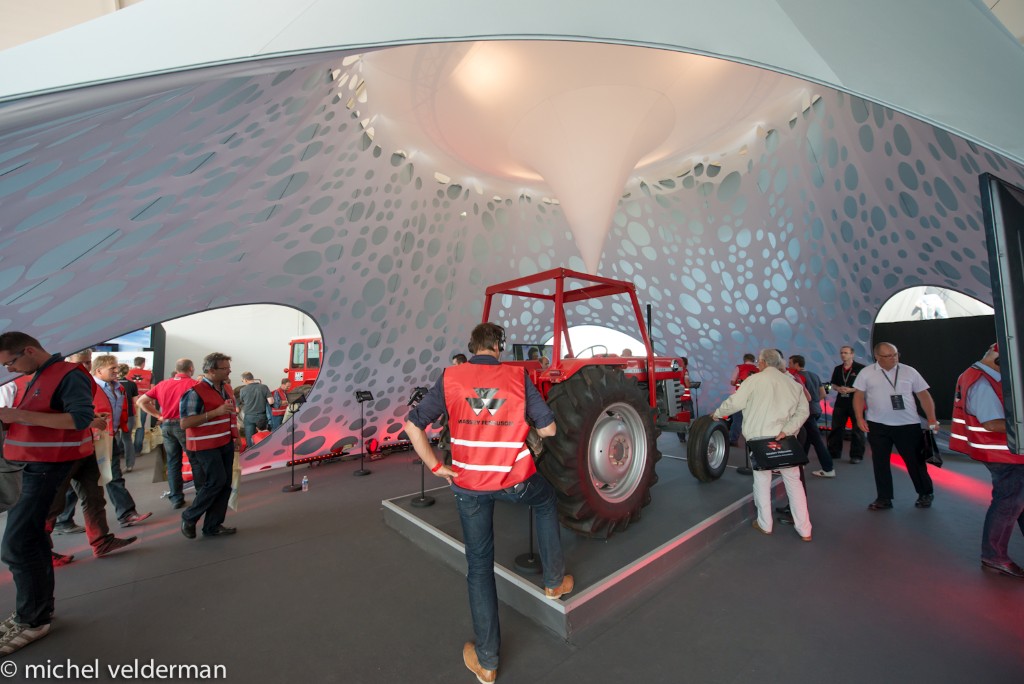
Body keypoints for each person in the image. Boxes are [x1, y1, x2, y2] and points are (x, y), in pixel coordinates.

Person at [405, 323, 572, 683]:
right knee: (546, 501)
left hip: (468, 486)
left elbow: (412, 426)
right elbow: (549, 430)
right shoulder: (517, 377)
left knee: (479, 568)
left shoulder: (450, 377)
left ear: (472, 346)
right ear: (499, 346)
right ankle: (554, 582)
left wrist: (436, 467)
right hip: (515, 481)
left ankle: (488, 663)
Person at [0, 332, 98, 654]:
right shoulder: (42, 375)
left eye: (10, 363)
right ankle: (37, 611)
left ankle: (33, 619)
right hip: (31, 466)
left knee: (17, 545)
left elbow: (81, 419)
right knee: (31, 540)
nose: (10, 370)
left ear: (28, 350)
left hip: (43, 468)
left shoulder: (67, 375)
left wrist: (17, 415)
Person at [712, 349, 811, 540]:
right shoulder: (792, 383)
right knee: (794, 482)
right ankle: (805, 529)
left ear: (763, 362)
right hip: (786, 439)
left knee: (762, 481)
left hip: (760, 439)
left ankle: (765, 524)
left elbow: (735, 402)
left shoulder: (753, 381)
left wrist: (717, 413)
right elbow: (803, 411)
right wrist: (787, 430)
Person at [949, 343, 1024, 578]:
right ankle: (994, 556)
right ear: (1001, 360)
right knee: (1008, 503)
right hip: (1003, 454)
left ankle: (994, 554)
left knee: (1017, 501)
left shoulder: (978, 375)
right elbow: (991, 423)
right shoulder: (982, 382)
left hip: (1004, 452)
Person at [853, 342, 939, 511]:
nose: (893, 358)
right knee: (880, 463)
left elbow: (924, 395)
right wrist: (859, 417)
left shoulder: (909, 371)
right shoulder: (867, 373)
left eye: (895, 354)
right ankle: (884, 498)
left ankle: (925, 493)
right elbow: (858, 396)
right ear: (877, 357)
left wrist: (931, 419)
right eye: (888, 356)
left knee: (915, 462)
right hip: (877, 425)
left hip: (908, 425)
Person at [179, 353, 242, 539]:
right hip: (204, 446)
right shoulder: (194, 392)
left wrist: (236, 436)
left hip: (224, 442)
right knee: (215, 482)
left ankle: (213, 525)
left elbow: (231, 415)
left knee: (225, 484)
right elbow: (185, 423)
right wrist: (215, 412)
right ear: (211, 370)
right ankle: (189, 517)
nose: (229, 371)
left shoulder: (226, 388)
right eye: (225, 368)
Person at [88, 355, 152, 527]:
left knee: (114, 476)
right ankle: (63, 520)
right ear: (98, 370)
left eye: (116, 367)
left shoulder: (118, 387)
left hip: (109, 438)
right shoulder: (89, 387)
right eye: (112, 368)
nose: (117, 371)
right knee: (79, 483)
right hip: (91, 440)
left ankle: (127, 513)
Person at [137, 358, 197, 509]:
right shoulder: (195, 384)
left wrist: (159, 415)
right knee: (196, 460)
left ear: (177, 369)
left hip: (167, 426)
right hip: (186, 426)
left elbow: (141, 402)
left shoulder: (162, 384)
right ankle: (202, 494)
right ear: (191, 369)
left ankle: (176, 498)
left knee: (173, 462)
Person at [788, 355, 834, 478]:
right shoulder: (814, 375)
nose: (789, 365)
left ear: (796, 364)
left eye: (790, 363)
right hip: (816, 410)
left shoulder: (796, 377)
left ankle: (828, 468)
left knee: (816, 441)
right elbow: (823, 394)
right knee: (807, 438)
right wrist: (814, 402)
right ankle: (802, 463)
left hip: (806, 412)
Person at [828, 346, 866, 464]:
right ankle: (834, 452)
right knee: (836, 428)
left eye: (846, 353)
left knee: (857, 430)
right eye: (841, 353)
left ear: (852, 354)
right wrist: (838, 388)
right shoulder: (837, 369)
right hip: (840, 402)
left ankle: (856, 455)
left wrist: (851, 390)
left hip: (856, 403)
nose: (843, 355)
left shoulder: (861, 368)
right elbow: (833, 384)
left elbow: (865, 386)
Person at [727, 353, 759, 445]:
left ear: (744, 360)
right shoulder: (758, 369)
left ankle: (733, 440)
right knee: (753, 420)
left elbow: (732, 382)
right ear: (753, 360)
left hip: (741, 397)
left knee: (737, 419)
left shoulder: (739, 367)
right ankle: (753, 441)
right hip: (754, 398)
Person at [126, 357, 152, 454]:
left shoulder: (128, 373)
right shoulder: (150, 374)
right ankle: (137, 450)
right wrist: (152, 403)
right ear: (143, 363)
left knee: (126, 426)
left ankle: (125, 449)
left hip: (130, 403)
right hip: (143, 402)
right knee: (140, 425)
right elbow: (152, 389)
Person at [116, 364, 139, 472]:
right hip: (129, 414)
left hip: (116, 415)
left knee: (115, 440)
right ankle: (129, 465)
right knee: (127, 439)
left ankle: (114, 466)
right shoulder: (132, 384)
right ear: (128, 372)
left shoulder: (113, 383)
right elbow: (135, 402)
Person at [238, 372, 270, 448]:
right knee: (263, 436)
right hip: (261, 416)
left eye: (242, 380)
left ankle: (251, 451)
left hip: (249, 416)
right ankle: (264, 450)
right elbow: (271, 401)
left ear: (245, 379)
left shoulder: (243, 389)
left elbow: (242, 401)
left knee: (249, 437)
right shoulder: (264, 387)